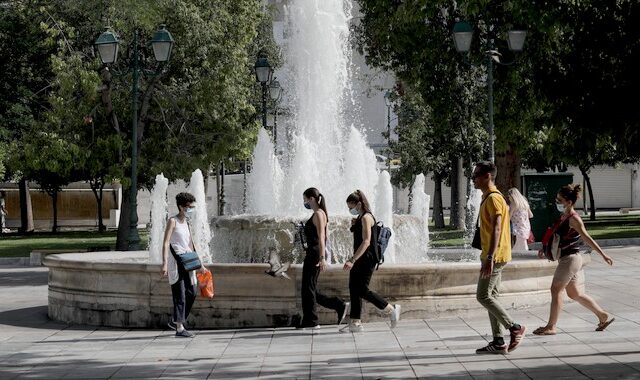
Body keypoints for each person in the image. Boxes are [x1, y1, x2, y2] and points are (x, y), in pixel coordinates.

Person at [533, 184, 615, 335]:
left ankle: (551, 326)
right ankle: (603, 316)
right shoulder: (564, 216)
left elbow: (587, 238)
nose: (556, 202)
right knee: (574, 293)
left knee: (556, 290)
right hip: (569, 259)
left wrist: (603, 255)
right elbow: (557, 238)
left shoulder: (574, 219)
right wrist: (544, 249)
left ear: (569, 202)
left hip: (570, 260)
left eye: (559, 200)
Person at [472, 161, 526, 354]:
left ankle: (514, 327)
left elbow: (497, 228)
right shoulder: (489, 197)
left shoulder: (494, 198)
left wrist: (490, 256)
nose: (473, 179)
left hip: (495, 255)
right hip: (495, 254)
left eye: (476, 175)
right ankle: (498, 341)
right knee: (492, 296)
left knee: (483, 295)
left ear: (487, 176)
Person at [341, 190, 400, 333]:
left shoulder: (366, 217)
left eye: (351, 207)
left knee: (362, 289)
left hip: (367, 259)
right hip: (360, 258)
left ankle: (391, 309)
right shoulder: (361, 217)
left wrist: (352, 259)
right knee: (353, 288)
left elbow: (366, 242)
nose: (350, 210)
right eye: (349, 208)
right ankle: (355, 322)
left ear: (359, 204)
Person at [298, 187, 350, 329]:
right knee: (310, 288)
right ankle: (338, 305)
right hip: (313, 252)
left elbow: (322, 237)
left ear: (312, 199)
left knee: (308, 288)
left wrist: (322, 258)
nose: (304, 203)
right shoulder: (319, 213)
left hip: (315, 253)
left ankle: (312, 321)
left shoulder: (319, 214)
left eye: (305, 200)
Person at [161, 192, 206, 338]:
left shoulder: (187, 222)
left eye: (193, 207)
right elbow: (166, 242)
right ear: (181, 207)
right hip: (176, 262)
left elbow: (191, 244)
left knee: (192, 292)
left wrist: (200, 264)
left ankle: (177, 320)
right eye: (189, 207)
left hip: (188, 260)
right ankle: (180, 328)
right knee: (179, 294)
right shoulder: (172, 221)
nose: (191, 209)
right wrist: (164, 263)